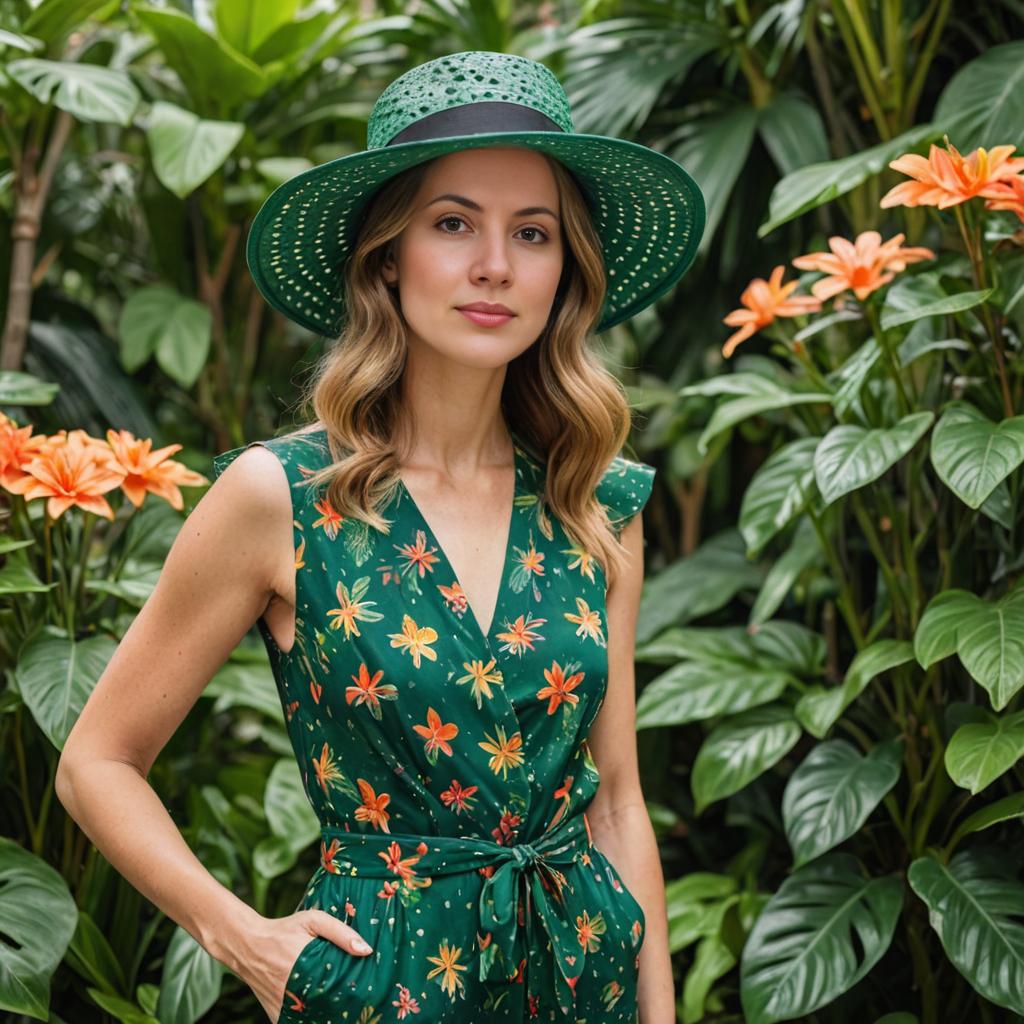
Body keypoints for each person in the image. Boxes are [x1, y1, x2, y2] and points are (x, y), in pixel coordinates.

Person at [56, 50, 704, 1023]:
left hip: (586, 983)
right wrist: (245, 939)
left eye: (531, 231)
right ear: (386, 255)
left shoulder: (594, 497)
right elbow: (94, 762)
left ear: (565, 267)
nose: (495, 264)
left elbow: (616, 801)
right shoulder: (280, 496)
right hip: (386, 988)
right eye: (453, 223)